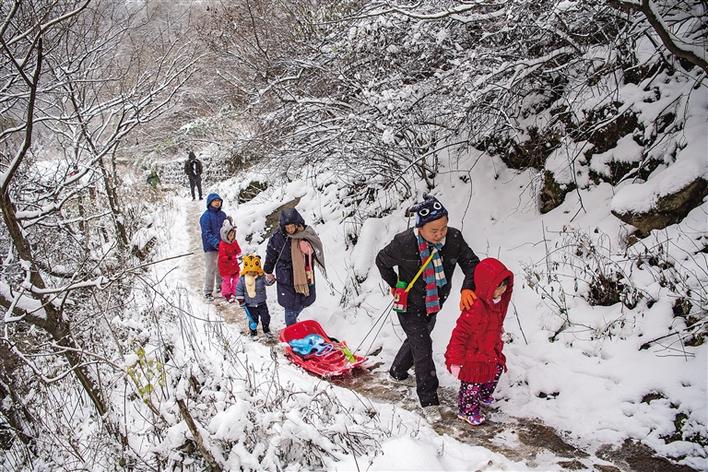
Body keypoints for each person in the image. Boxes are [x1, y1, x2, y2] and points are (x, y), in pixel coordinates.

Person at [375, 195, 480, 423]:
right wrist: (395, 284)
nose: (440, 234)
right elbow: (381, 260)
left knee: (418, 339)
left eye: (443, 227)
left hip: (434, 302)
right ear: (419, 228)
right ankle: (429, 399)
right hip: (410, 305)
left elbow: (472, 263)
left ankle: (397, 372)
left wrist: (467, 288)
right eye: (434, 230)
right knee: (423, 346)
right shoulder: (403, 243)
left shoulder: (453, 238)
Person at [445, 258, 514, 426]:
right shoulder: (475, 308)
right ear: (486, 286)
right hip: (471, 356)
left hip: (489, 351)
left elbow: (493, 324)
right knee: (471, 385)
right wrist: (455, 360)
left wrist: (500, 333)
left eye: (504, 285)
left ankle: (483, 394)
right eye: (498, 287)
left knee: (495, 372)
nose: (502, 290)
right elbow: (459, 334)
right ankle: (467, 411)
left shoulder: (497, 304)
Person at [264, 208, 326, 326]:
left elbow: (317, 247)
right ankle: (291, 329)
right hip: (285, 274)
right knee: (290, 306)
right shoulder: (278, 237)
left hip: (304, 271)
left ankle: (293, 322)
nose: (290, 230)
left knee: (305, 300)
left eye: (292, 226)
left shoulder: (306, 233)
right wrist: (268, 271)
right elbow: (271, 254)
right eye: (287, 227)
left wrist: (309, 250)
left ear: (297, 224)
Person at [235, 254, 275, 337]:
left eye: (254, 271)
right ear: (246, 270)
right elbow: (239, 290)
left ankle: (266, 329)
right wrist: (240, 299)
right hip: (250, 304)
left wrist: (271, 280)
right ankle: (253, 331)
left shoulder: (261, 277)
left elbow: (267, 283)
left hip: (261, 303)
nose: (252, 273)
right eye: (250, 271)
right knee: (253, 320)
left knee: (266, 317)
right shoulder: (242, 279)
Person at [199, 193, 227, 300]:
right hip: (210, 248)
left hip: (222, 246)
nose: (217, 203)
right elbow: (206, 233)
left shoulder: (223, 215)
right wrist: (216, 243)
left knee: (221, 268)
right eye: (215, 201)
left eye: (219, 201)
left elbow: (226, 229)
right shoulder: (205, 217)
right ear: (210, 203)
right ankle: (208, 292)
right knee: (211, 269)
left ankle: (220, 287)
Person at [218, 219, 242, 302]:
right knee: (226, 281)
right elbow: (222, 257)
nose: (232, 237)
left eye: (233, 235)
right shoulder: (222, 244)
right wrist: (229, 258)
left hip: (234, 265)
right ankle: (227, 294)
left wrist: (239, 253)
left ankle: (235, 292)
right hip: (225, 267)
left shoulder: (234, 242)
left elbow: (238, 249)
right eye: (230, 235)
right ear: (225, 235)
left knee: (236, 279)